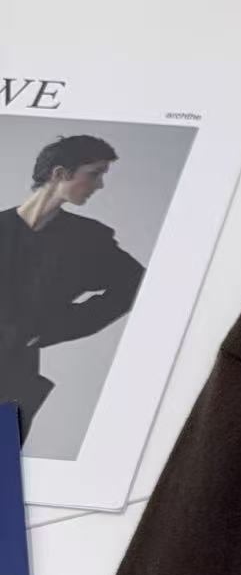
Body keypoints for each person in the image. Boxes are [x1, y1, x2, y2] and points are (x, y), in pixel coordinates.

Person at [0, 134, 144, 445]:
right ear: (60, 173)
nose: (99, 185)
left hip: (13, 380)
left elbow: (136, 284)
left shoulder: (87, 240)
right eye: (94, 174)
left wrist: (56, 327)